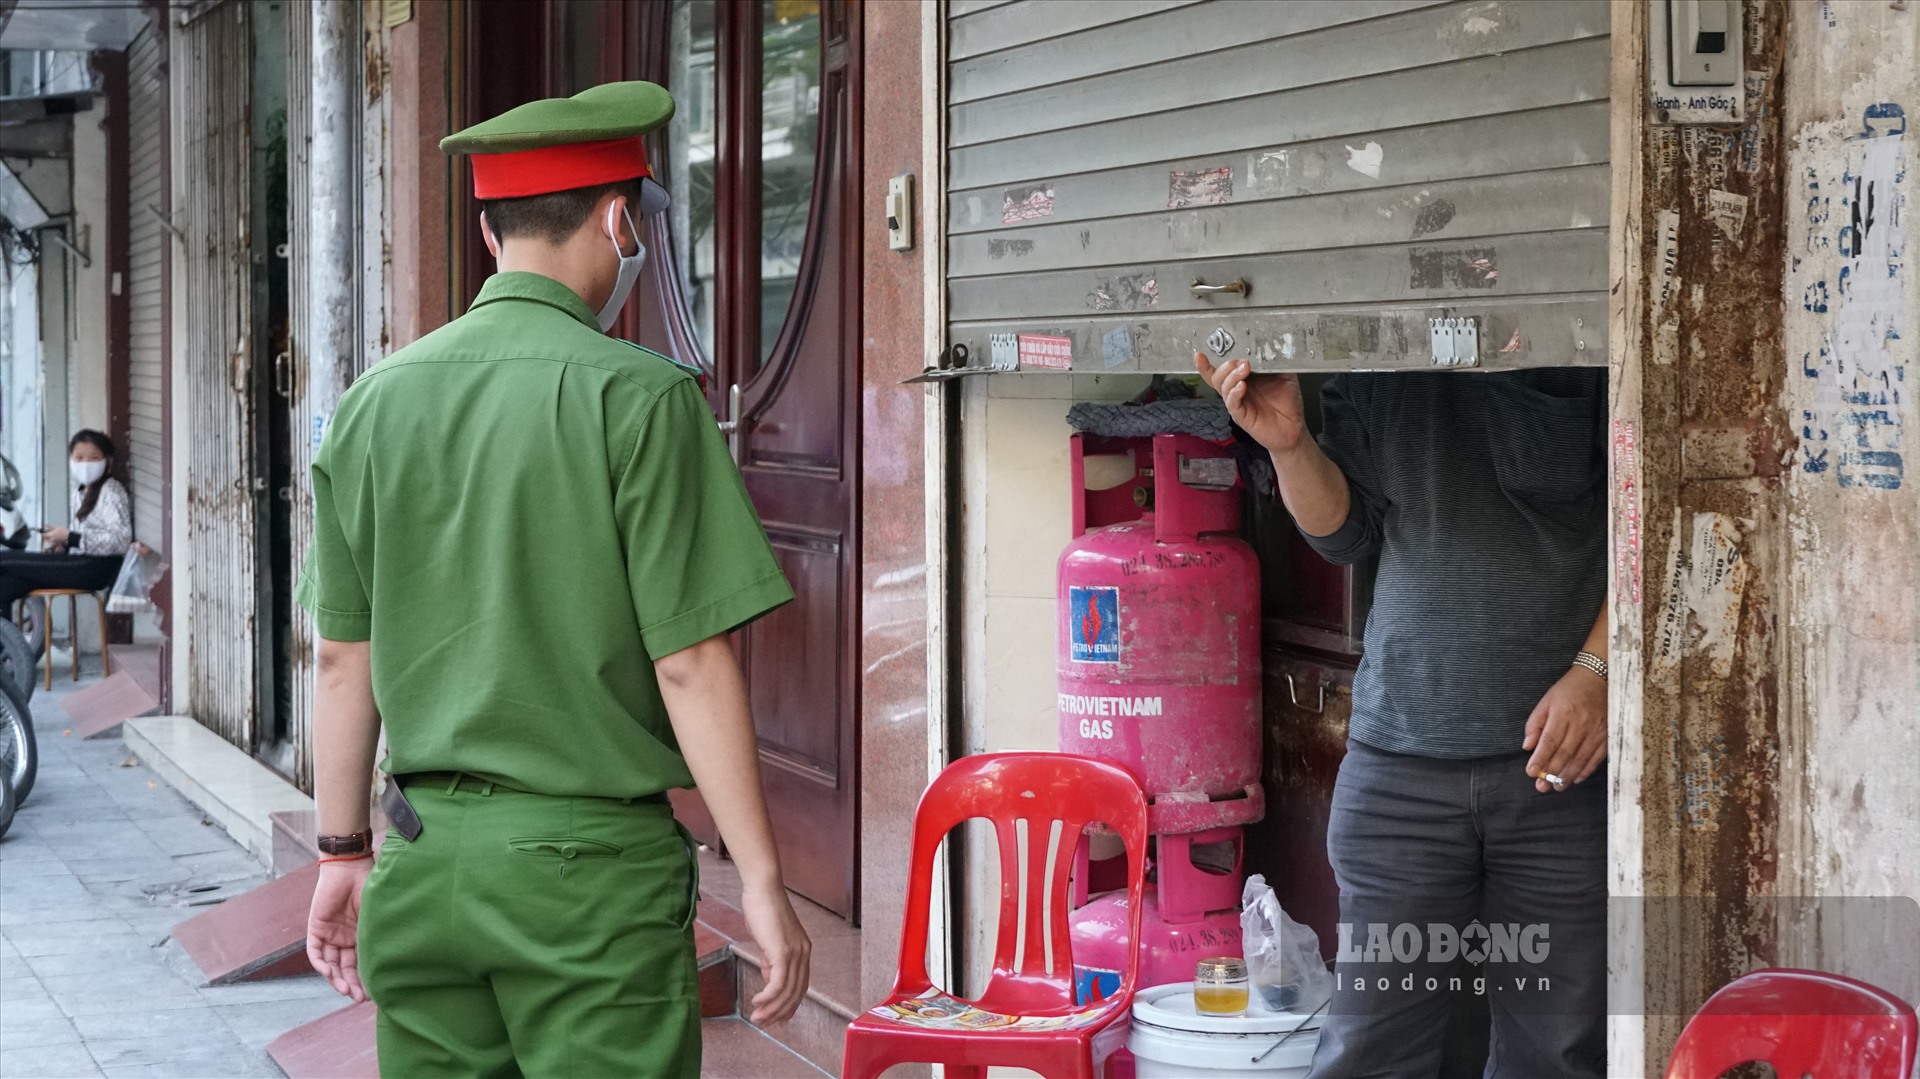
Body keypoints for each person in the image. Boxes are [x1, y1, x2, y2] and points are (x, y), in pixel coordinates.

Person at [299, 81, 811, 1078]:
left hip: (419, 861)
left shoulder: (373, 404)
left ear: (491, 235)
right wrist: (761, 879)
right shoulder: (643, 397)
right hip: (586, 884)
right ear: (622, 221)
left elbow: (338, 655)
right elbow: (692, 661)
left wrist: (339, 850)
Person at [1196, 352, 1608, 1077]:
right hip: (1401, 775)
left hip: (1556, 774)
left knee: (1554, 1053)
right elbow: (1346, 533)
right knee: (1371, 1050)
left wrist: (1598, 670)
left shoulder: (1579, 333)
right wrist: (1289, 445)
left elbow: (1654, 518)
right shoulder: (1380, 349)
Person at [0, 430, 134, 614]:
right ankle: (10, 642)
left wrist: (72, 537)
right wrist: (63, 544)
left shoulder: (111, 491)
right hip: (78, 562)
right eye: (79, 458)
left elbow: (121, 541)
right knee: (6, 586)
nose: (86, 464)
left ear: (107, 459)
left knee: (4, 559)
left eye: (93, 458)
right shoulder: (79, 493)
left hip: (96, 568)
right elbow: (80, 539)